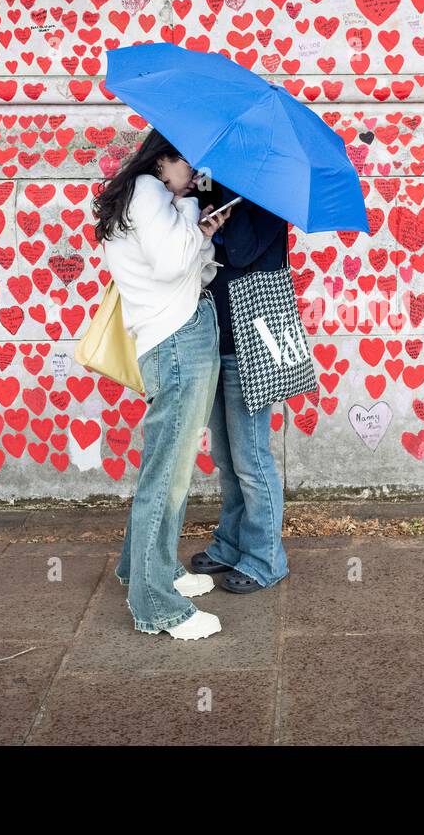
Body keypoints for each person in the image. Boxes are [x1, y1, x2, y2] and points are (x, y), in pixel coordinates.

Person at [92, 128, 233, 640]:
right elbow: (172, 262)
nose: (194, 177)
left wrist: (206, 232)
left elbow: (186, 272)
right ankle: (156, 605)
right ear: (161, 161)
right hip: (176, 344)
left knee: (168, 469)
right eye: (188, 166)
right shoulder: (149, 193)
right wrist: (196, 216)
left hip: (179, 335)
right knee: (167, 475)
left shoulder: (155, 198)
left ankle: (144, 567)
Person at [191, 183, 290, 594]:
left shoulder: (270, 197)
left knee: (250, 458)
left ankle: (266, 559)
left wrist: (225, 220)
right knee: (225, 458)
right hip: (212, 339)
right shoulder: (208, 192)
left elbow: (244, 253)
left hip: (255, 341)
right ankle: (230, 545)